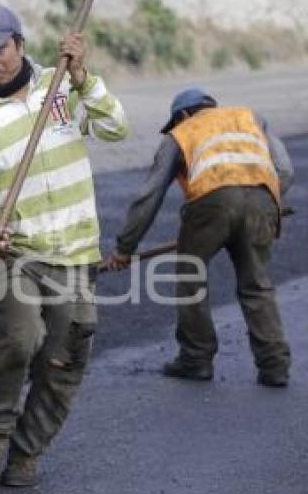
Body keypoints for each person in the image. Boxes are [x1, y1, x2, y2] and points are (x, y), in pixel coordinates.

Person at [0, 4, 129, 486]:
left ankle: (27, 452)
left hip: (74, 254)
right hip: (17, 253)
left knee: (66, 357)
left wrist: (86, 77)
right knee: (19, 337)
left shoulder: (62, 85)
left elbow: (116, 128)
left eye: (0, 48)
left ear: (21, 45)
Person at [106, 88, 293, 386]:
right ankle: (275, 365)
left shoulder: (181, 133)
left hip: (212, 204)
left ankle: (196, 358)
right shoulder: (250, 117)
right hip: (261, 200)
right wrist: (265, 203)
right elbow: (284, 169)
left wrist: (124, 247)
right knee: (256, 284)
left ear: (181, 115)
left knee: (192, 276)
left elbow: (150, 195)